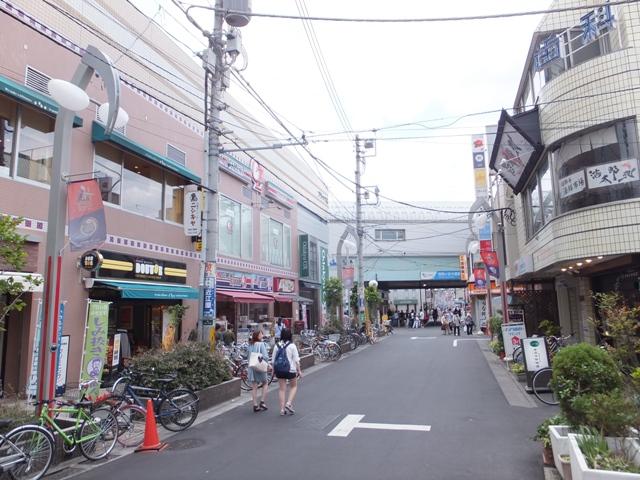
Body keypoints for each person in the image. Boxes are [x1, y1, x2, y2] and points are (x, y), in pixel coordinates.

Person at [272, 328, 302, 416]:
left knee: (281, 389)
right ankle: (288, 403)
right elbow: (296, 360)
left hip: (279, 370)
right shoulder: (292, 346)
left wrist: (274, 371)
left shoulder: (276, 345)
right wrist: (299, 371)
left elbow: (273, 360)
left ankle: (282, 409)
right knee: (294, 386)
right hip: (290, 370)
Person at [247, 330, 270, 412]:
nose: (262, 335)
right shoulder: (262, 344)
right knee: (265, 383)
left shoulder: (250, 344)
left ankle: (255, 405)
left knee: (254, 386)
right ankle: (262, 402)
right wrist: (268, 364)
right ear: (257, 336)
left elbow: (248, 356)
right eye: (261, 334)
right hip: (260, 367)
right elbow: (266, 357)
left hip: (252, 367)